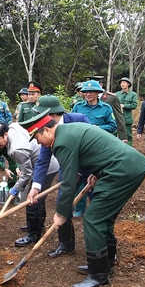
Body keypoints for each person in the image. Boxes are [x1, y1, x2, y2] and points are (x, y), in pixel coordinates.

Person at [24, 109, 145, 287]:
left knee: (93, 219)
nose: (37, 142)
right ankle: (105, 264)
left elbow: (67, 182)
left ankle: (99, 275)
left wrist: (61, 214)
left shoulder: (62, 142)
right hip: (125, 167)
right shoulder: (69, 131)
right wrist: (94, 172)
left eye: (36, 137)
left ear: (47, 130)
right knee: (103, 218)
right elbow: (94, 152)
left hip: (121, 172)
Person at [26, 95, 90, 257]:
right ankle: (66, 244)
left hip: (91, 168)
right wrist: (36, 186)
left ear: (52, 113)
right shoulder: (46, 130)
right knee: (63, 201)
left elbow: (92, 145)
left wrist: (83, 172)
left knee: (97, 203)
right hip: (67, 168)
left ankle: (105, 251)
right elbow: (43, 160)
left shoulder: (78, 119)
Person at [0, 121, 59, 247]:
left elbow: (27, 174)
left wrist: (15, 188)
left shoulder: (16, 149)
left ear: (5, 134)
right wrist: (22, 165)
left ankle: (33, 234)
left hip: (46, 168)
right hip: (42, 162)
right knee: (38, 199)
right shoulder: (13, 127)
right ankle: (37, 224)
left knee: (33, 200)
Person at [71, 80, 117, 216]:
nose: (88, 94)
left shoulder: (106, 109)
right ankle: (79, 208)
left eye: (91, 92)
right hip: (81, 149)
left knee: (97, 179)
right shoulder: (78, 107)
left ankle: (96, 209)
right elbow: (70, 124)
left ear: (98, 93)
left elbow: (113, 126)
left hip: (99, 150)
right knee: (80, 178)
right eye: (85, 92)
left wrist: (98, 128)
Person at [86, 75, 127, 141]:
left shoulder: (111, 98)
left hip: (106, 135)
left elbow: (119, 116)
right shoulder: (87, 98)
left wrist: (123, 136)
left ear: (101, 85)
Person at [115, 77, 138, 146]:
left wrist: (124, 106)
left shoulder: (133, 94)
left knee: (128, 136)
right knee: (117, 136)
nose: (122, 84)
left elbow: (134, 105)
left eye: (124, 83)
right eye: (121, 83)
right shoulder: (116, 94)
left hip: (127, 119)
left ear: (128, 84)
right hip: (118, 119)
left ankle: (128, 150)